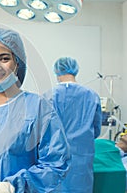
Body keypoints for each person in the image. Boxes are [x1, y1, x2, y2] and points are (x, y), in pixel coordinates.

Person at [0, 28, 71, 192]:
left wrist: (14, 186)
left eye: (4, 58)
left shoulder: (38, 108)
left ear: (17, 63)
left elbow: (55, 163)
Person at [44, 57, 102, 192]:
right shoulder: (92, 95)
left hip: (55, 156)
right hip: (82, 156)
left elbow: (43, 131)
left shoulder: (49, 96)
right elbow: (96, 130)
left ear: (57, 71)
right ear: (75, 70)